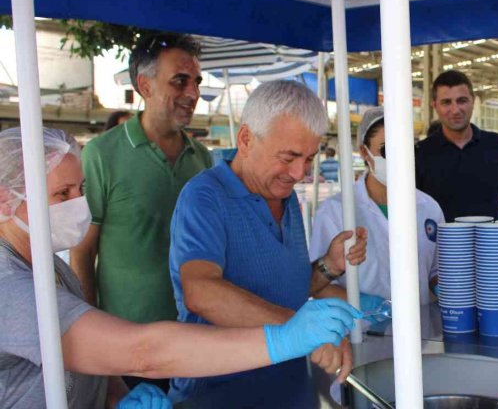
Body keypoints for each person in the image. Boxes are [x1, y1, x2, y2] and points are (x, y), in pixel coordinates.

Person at [0, 127, 361, 409]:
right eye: (62, 195)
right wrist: (285, 337)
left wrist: (117, 395)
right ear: (6, 200)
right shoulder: (8, 286)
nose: (79, 205)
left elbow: (82, 354)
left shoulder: (48, 267)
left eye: (81, 189)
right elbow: (142, 352)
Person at [167, 80, 368, 402]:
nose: (300, 172)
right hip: (219, 395)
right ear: (246, 139)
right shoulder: (204, 196)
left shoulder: (286, 200)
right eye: (288, 157)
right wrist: (304, 330)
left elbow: (286, 288)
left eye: (309, 159)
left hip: (290, 390)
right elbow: (201, 291)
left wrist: (328, 266)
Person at [70, 33, 212, 392]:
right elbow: (83, 251)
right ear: (144, 85)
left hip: (194, 335)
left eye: (196, 81)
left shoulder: (202, 159)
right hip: (127, 345)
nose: (193, 92)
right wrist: (95, 341)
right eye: (179, 80)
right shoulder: (101, 155)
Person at [310, 107, 442, 306]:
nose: (400, 157)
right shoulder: (335, 212)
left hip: (420, 333)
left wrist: (445, 289)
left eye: (407, 147)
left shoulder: (429, 208)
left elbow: (435, 269)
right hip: (361, 331)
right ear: (364, 152)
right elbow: (316, 285)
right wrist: (365, 306)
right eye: (387, 149)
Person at [415, 70, 498, 220]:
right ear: (435, 105)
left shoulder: (497, 144)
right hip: (440, 243)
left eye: (462, 101)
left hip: (491, 242)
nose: (455, 110)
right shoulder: (421, 152)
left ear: (473, 101)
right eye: (446, 102)